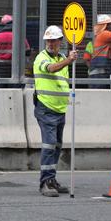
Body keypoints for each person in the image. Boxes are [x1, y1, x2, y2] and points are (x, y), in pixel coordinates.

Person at [33, 25, 77, 197]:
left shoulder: (62, 57)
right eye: (48, 40)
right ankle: (45, 182)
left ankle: (52, 180)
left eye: (54, 40)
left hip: (59, 108)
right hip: (46, 108)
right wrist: (68, 61)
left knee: (56, 146)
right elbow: (51, 69)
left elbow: (62, 81)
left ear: (60, 42)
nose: (50, 43)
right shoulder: (41, 58)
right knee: (49, 145)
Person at [0, 14, 31, 88]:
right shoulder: (20, 37)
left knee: (0, 91)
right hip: (16, 68)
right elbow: (28, 52)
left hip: (0, 68)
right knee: (15, 91)